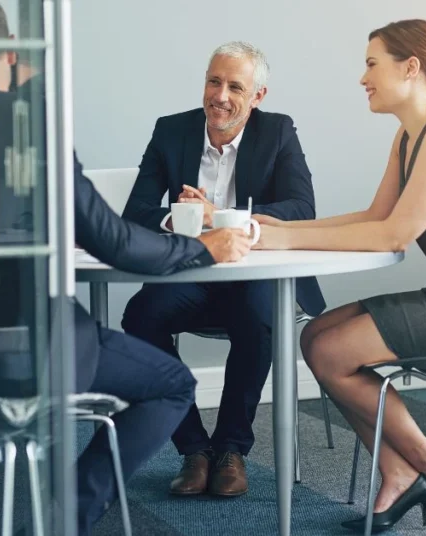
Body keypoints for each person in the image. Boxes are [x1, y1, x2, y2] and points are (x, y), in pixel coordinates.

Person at [0, 2, 253, 535]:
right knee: (171, 383)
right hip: (22, 344)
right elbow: (114, 241)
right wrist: (205, 249)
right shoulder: (24, 124)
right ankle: (68, 512)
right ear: (9, 51)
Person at [253, 20, 426, 532]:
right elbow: (373, 216)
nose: (363, 77)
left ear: (411, 67)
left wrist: (284, 240)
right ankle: (401, 468)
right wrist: (287, 227)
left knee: (333, 352)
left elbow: (392, 235)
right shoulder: (411, 135)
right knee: (315, 335)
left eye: (371, 63)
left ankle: (422, 459)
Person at [119, 41, 326, 498]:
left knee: (259, 314)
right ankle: (193, 448)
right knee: (139, 317)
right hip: (194, 273)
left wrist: (219, 216)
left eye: (236, 86)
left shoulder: (278, 132)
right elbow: (135, 212)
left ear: (258, 96)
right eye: (215, 81)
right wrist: (182, 220)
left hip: (254, 276)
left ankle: (231, 449)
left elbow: (301, 209)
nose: (221, 95)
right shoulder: (171, 131)